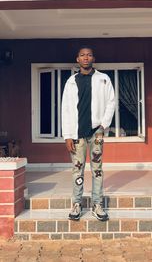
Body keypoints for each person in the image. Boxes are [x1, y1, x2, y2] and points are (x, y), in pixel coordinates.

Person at [61, 46, 115, 221]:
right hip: (77, 133)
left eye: (89, 55)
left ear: (93, 58)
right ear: (78, 59)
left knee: (97, 168)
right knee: (77, 170)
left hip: (96, 133)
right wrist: (67, 135)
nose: (86, 58)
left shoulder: (103, 79)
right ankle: (77, 204)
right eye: (82, 55)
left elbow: (111, 102)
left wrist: (103, 125)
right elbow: (66, 110)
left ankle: (97, 204)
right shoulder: (71, 82)